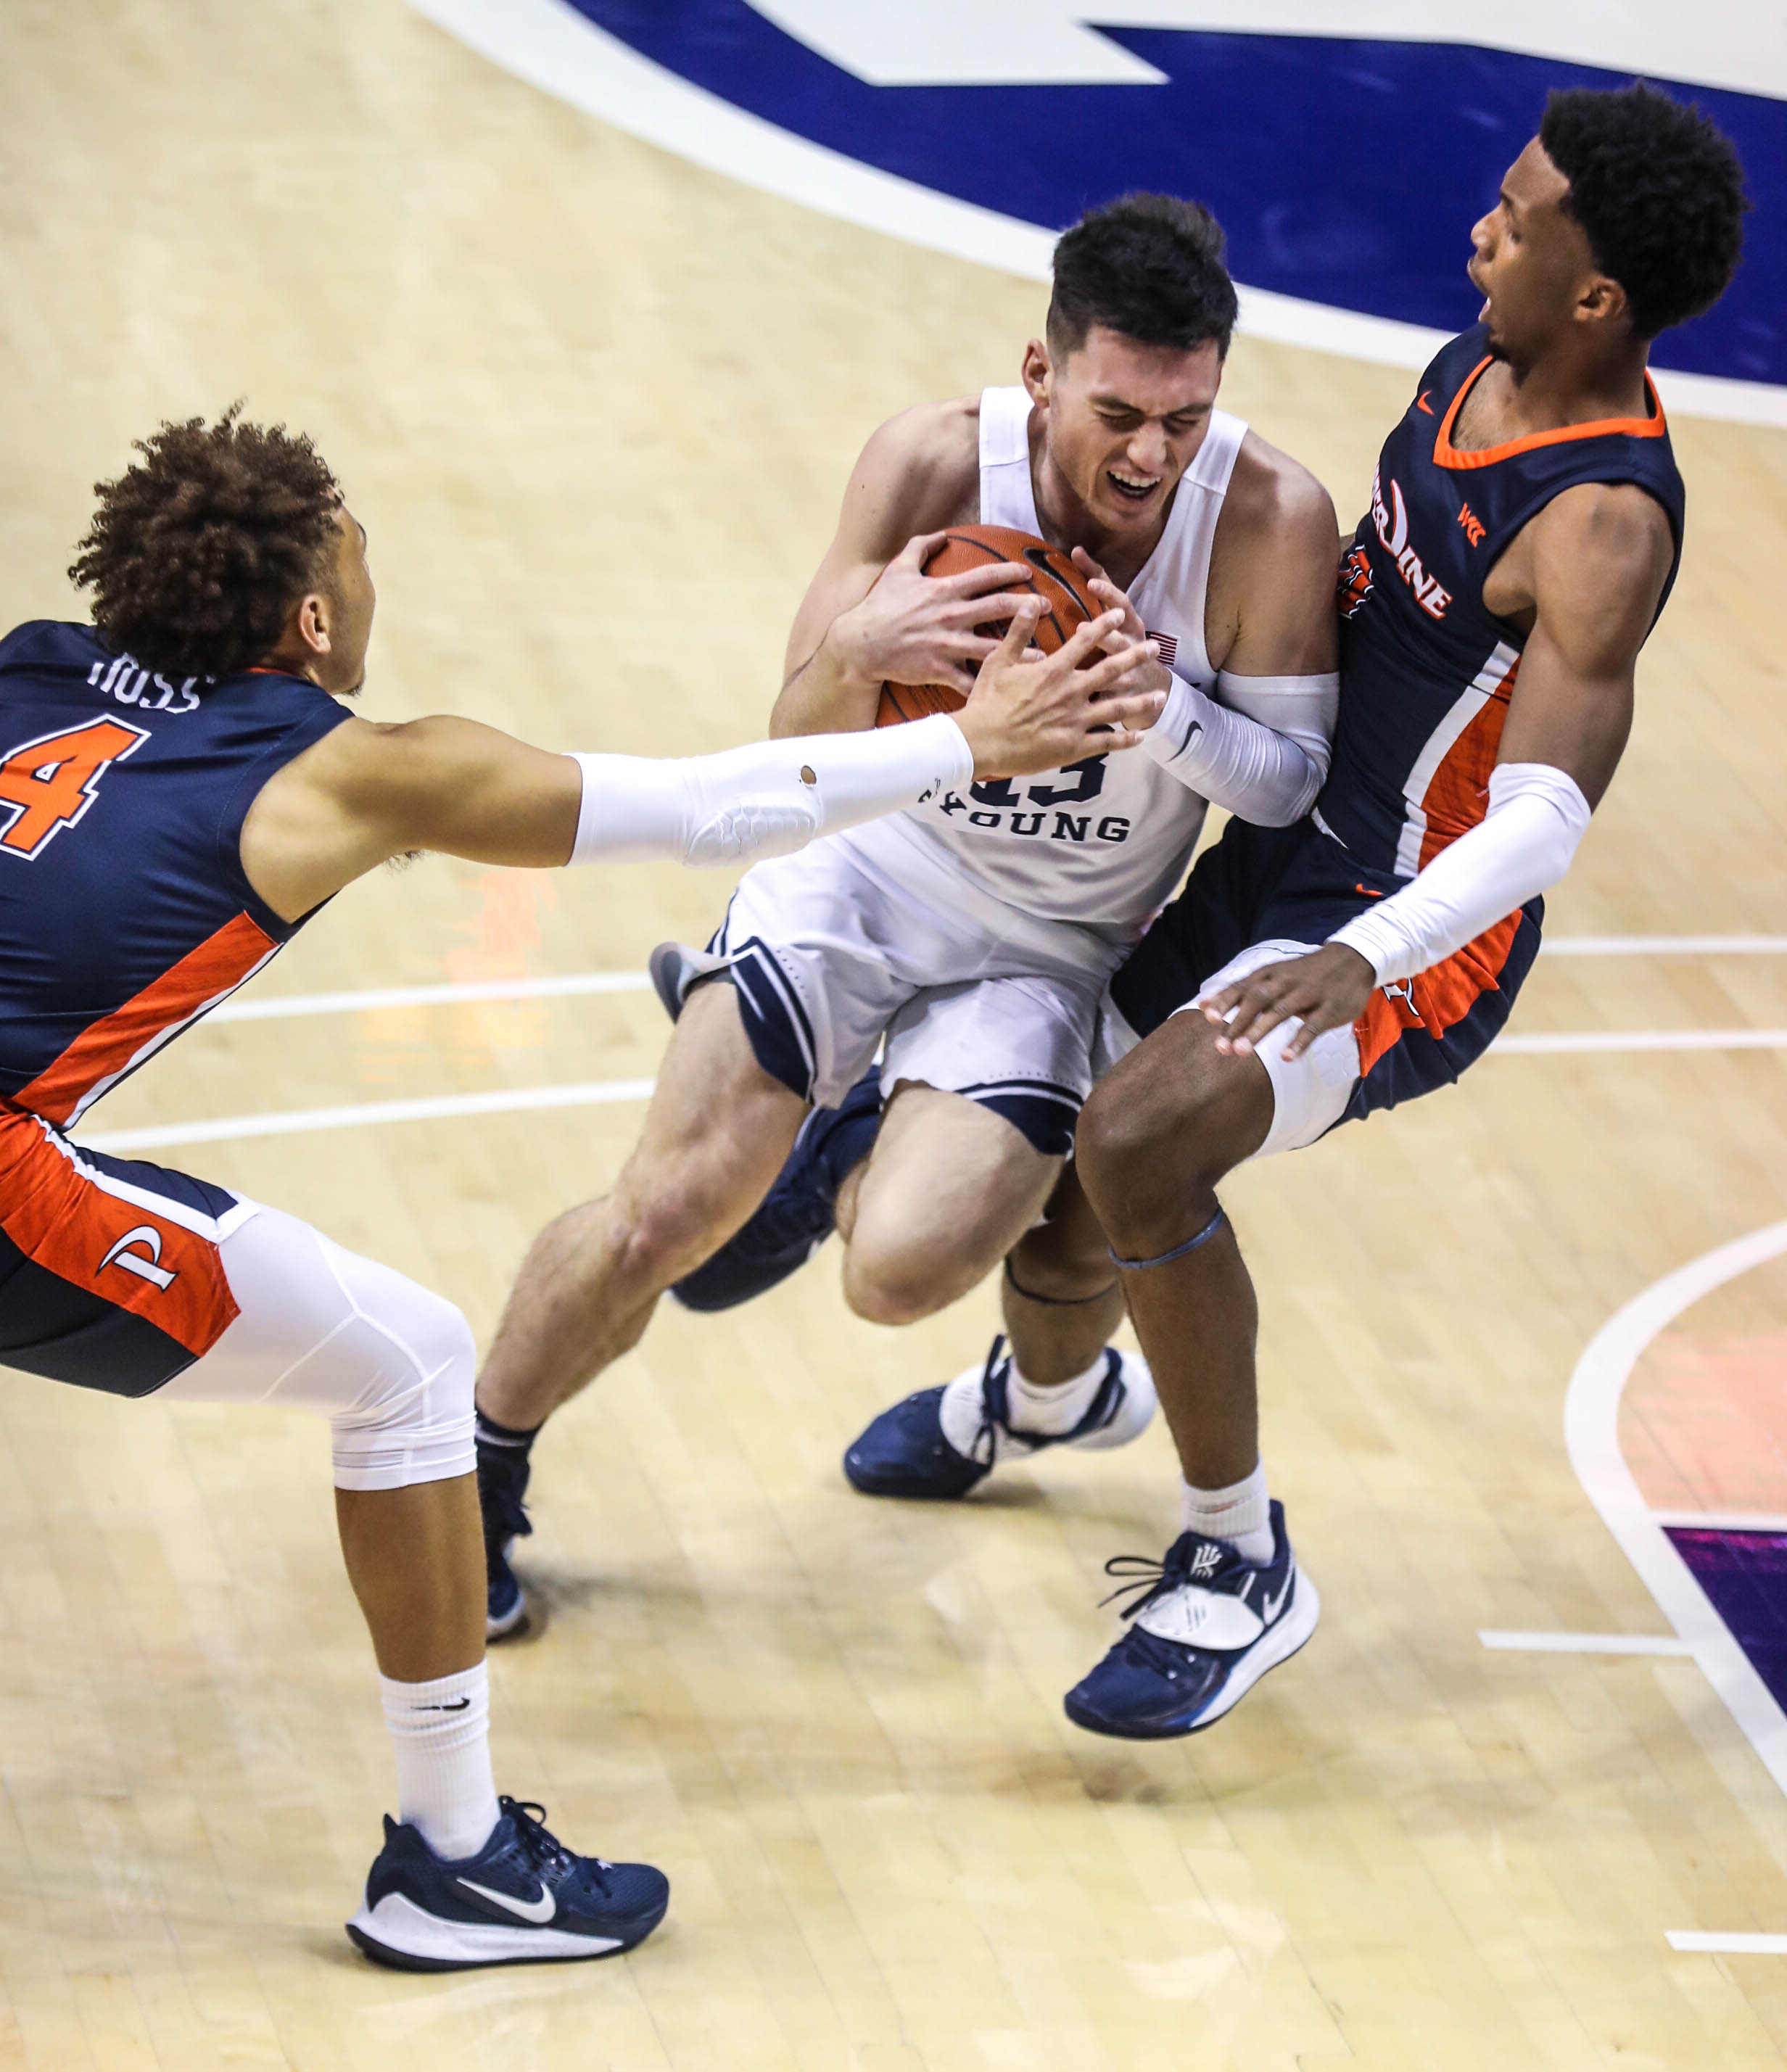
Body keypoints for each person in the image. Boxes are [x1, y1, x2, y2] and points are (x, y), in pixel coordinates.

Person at [0, 411, 1162, 1967]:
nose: (367, 563)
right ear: (313, 618)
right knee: (405, 1356)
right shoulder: (353, 771)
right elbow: (702, 812)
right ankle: (453, 1862)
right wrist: (974, 739)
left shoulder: (29, 666)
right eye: (355, 544)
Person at [851, 83, 1749, 1742]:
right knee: (1071, 1195)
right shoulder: (1469, 367)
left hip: (1409, 925)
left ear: (1593, 294)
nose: (1480, 223)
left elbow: (1541, 817)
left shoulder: (1601, 522)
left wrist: (1362, 954)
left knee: (1138, 1132)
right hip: (1285, 857)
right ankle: (1049, 1400)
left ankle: (1234, 1552)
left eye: (1517, 214)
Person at [472, 194, 1346, 1638]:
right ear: (1040, 371)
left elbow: (1283, 786)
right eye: (1118, 410)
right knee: (668, 1212)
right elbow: (790, 731)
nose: (1148, 454)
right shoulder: (933, 461)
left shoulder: (1268, 519)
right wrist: (857, 649)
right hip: (864, 872)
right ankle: (481, 1467)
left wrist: (1159, 710)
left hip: (1051, 949)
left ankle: (841, 1129)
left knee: (896, 1275)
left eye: (1182, 420)